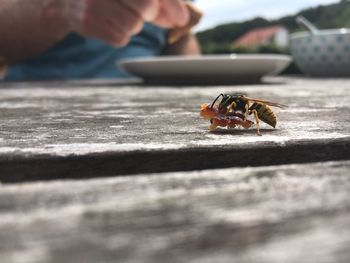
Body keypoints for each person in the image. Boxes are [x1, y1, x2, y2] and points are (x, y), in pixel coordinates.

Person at [0, 0, 201, 80]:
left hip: (151, 116)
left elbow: (177, 35)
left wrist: (195, 76)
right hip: (37, 119)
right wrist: (61, 6)